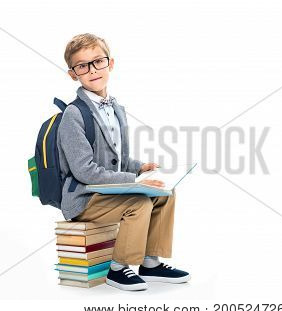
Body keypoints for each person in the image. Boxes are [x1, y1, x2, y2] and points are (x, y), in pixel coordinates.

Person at [57, 33, 190, 291]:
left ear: (111, 64)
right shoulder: (74, 115)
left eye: (98, 61)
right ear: (73, 74)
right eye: (82, 66)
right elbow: (85, 171)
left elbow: (119, 159)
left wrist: (139, 168)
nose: (92, 70)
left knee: (165, 193)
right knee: (138, 202)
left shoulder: (116, 108)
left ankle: (150, 263)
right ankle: (117, 269)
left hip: (109, 192)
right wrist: (134, 181)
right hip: (85, 198)